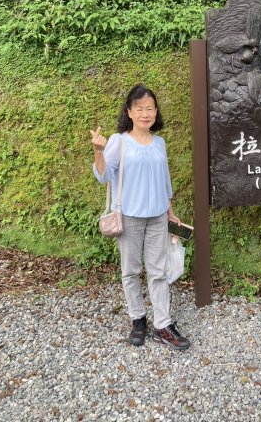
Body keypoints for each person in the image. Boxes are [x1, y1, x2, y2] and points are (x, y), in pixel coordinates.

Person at [90, 83, 190, 351]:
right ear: (130, 112)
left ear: (156, 113)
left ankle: (162, 324)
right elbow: (102, 175)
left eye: (150, 108)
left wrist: (170, 210)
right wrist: (98, 151)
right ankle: (138, 319)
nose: (146, 113)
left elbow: (164, 179)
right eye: (140, 109)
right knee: (131, 271)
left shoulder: (160, 143)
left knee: (158, 271)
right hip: (130, 217)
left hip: (158, 216)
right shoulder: (118, 141)